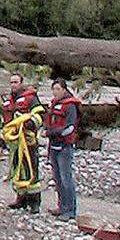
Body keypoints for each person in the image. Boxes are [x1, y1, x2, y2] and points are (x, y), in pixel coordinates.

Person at [1, 72, 44, 212]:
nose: (13, 85)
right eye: (11, 82)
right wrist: (1, 142)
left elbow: (39, 116)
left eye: (16, 82)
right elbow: (5, 123)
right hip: (14, 143)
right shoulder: (8, 102)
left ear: (21, 83)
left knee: (31, 169)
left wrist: (28, 124)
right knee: (17, 170)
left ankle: (35, 202)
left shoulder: (30, 98)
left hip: (28, 141)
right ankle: (21, 198)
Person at [44, 78, 82, 220]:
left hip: (65, 146)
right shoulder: (53, 104)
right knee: (57, 178)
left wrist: (52, 133)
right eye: (53, 89)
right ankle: (61, 206)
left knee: (66, 178)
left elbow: (70, 128)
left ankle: (70, 210)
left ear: (64, 90)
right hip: (53, 145)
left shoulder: (70, 106)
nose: (55, 92)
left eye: (58, 89)